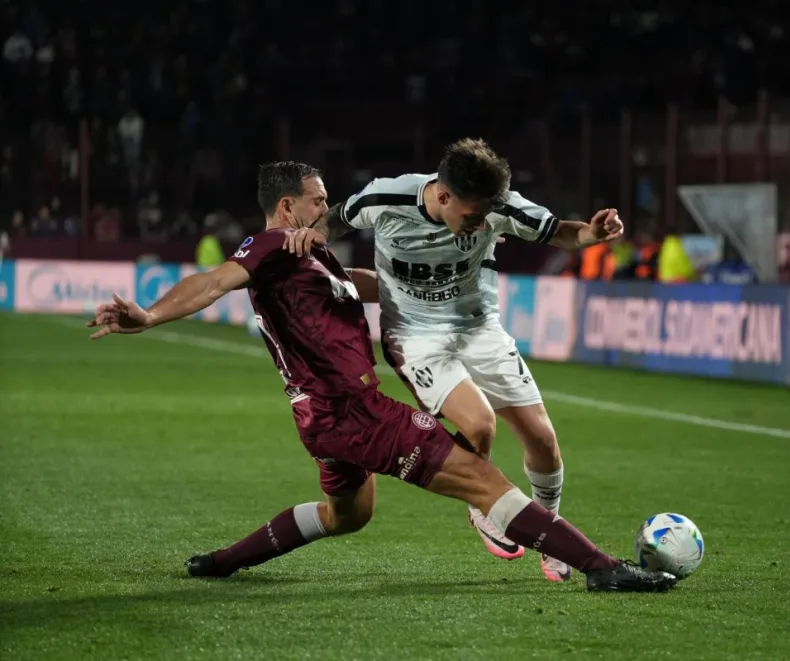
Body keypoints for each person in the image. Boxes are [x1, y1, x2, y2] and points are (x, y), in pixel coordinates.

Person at [85, 161, 677, 593]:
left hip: (320, 419)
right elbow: (214, 282)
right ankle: (602, 568)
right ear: (288, 206)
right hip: (352, 411)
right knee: (480, 477)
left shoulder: (312, 255)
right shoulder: (271, 246)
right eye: (318, 200)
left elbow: (364, 285)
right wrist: (151, 315)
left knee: (349, 515)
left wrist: (399, 285)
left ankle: (221, 563)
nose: (328, 208)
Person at [283, 139, 623, 582]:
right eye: (472, 217)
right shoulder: (387, 196)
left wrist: (592, 234)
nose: (480, 224)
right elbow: (338, 217)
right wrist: (317, 234)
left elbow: (561, 230)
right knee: (480, 425)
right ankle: (483, 505)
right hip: (415, 336)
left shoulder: (498, 206)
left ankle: (548, 536)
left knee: (543, 440)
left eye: (486, 217)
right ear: (442, 196)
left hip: (480, 329)